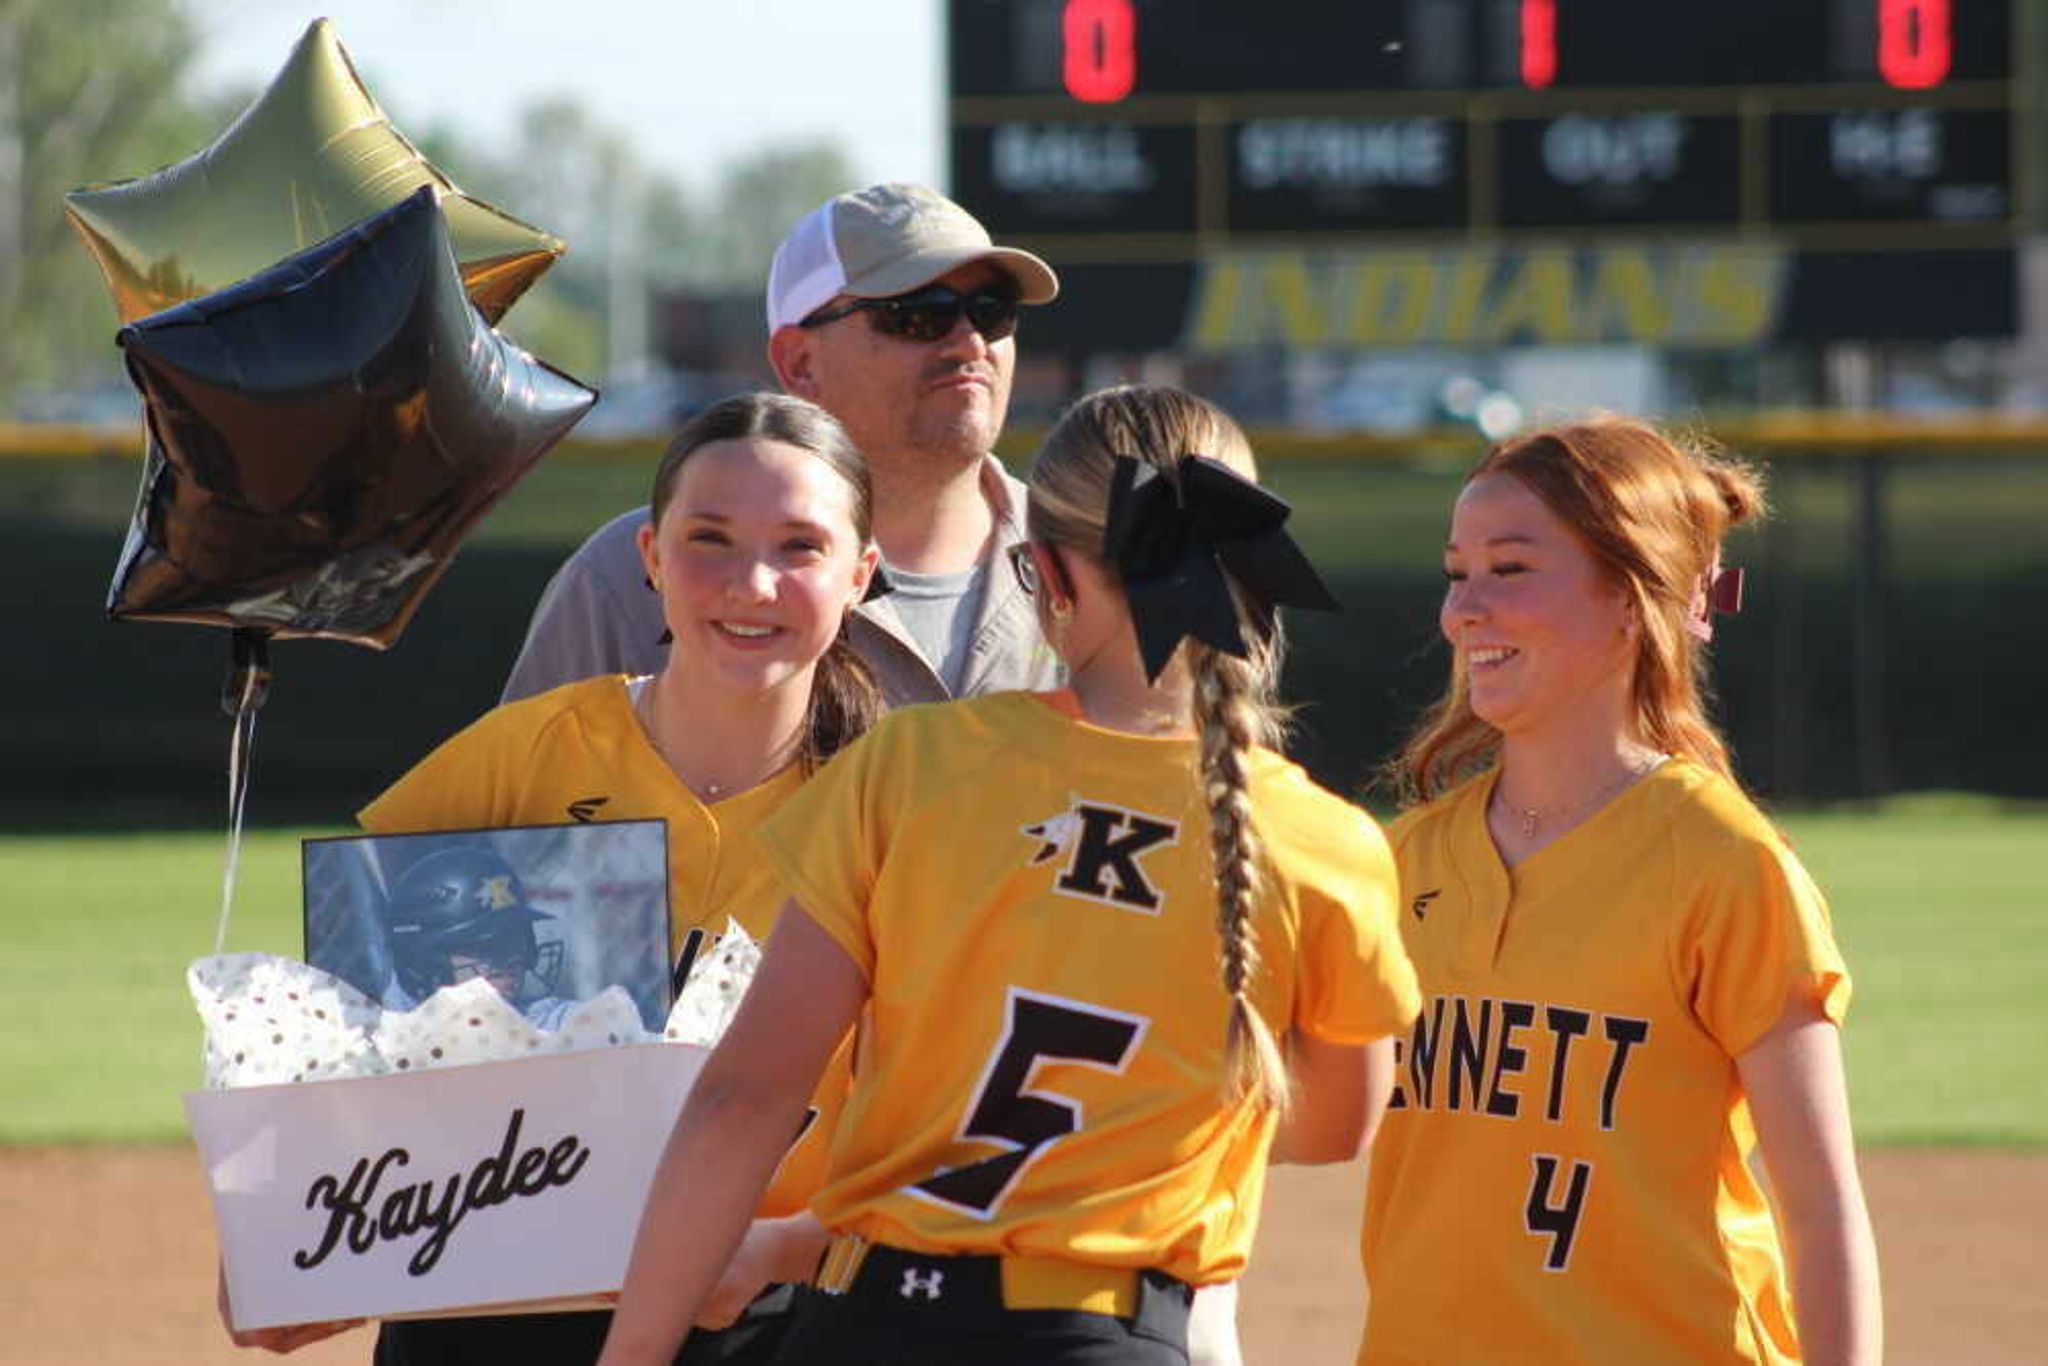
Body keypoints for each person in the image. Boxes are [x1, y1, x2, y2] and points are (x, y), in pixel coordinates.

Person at [596, 385, 1423, 1366]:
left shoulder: (918, 764)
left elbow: (744, 1100)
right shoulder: (1319, 840)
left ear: (1047, 575)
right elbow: (1334, 1126)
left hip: (871, 1325)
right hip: (1108, 1332)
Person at [219, 393, 883, 1363]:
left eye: (798, 546)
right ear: (650, 557)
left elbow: (948, 1131)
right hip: (490, 1307)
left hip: (756, 1318)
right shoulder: (520, 758)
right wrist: (294, 1235)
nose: (751, 581)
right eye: (710, 539)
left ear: (860, 574)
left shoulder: (896, 804)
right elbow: (359, 1039)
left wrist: (778, 1247)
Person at [1358, 417, 1882, 1364]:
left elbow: (1821, 1204)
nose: (1463, 608)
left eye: (1509, 570)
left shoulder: (1721, 861)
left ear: (1631, 593)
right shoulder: (1413, 859)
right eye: (1456, 571)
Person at [501, 181, 1064, 708]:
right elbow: (528, 805)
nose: (968, 342)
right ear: (799, 361)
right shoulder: (632, 578)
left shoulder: (1090, 558)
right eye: (920, 315)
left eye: (993, 312)